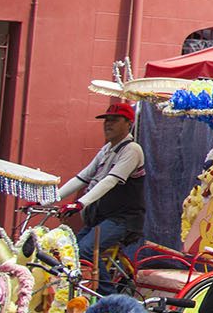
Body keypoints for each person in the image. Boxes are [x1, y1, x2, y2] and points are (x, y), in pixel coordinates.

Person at [56, 100, 147, 265]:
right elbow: (81, 178)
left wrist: (80, 204)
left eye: (115, 120)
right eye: (107, 120)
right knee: (69, 252)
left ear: (129, 123)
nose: (108, 124)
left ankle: (105, 291)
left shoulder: (132, 150)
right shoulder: (106, 150)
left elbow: (110, 181)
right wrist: (48, 199)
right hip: (100, 217)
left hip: (121, 219)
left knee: (84, 252)